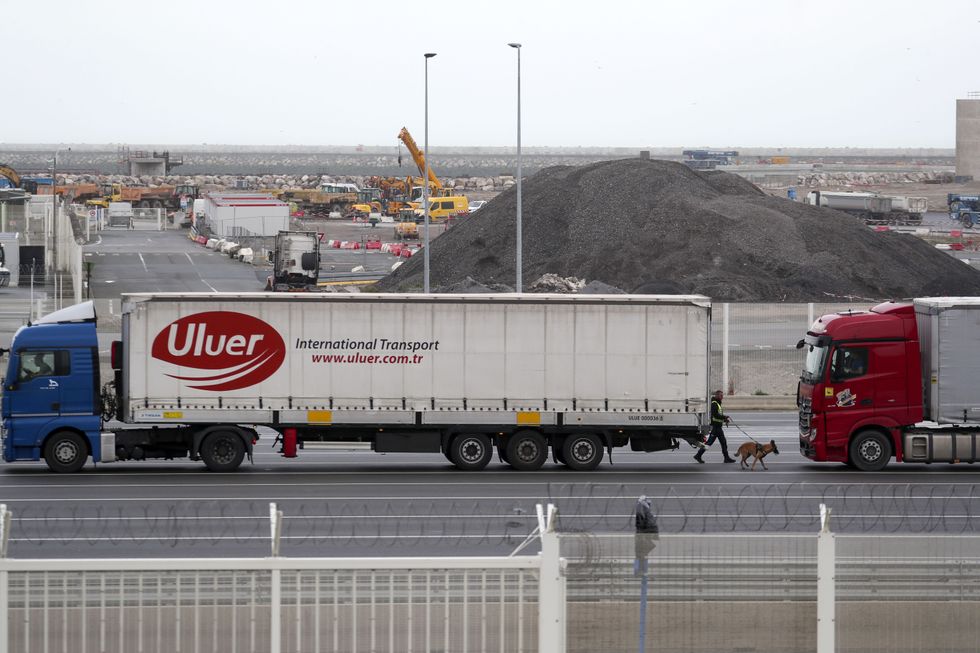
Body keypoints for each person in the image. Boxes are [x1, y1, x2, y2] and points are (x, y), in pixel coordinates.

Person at [695, 390, 735, 463]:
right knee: (709, 443)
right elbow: (715, 415)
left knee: (723, 442)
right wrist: (724, 417)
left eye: (722, 396)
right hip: (715, 427)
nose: (722, 397)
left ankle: (726, 458)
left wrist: (724, 420)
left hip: (718, 427)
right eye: (721, 395)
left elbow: (718, 416)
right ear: (716, 396)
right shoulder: (714, 403)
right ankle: (698, 455)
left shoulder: (718, 403)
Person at [634, 495, 659, 575]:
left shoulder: (641, 509)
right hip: (645, 534)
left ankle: (639, 571)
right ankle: (642, 571)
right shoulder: (645, 510)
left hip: (642, 535)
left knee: (640, 553)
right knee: (642, 554)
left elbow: (640, 524)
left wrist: (641, 534)